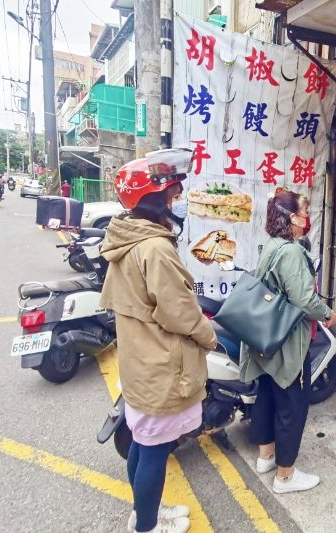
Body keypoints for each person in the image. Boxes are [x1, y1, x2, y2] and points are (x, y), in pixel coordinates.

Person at [100, 151, 216, 533]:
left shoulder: (127, 238)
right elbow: (181, 314)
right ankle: (147, 526)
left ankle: (143, 512)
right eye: (171, 196)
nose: (176, 201)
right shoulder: (156, 248)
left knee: (142, 442)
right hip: (161, 365)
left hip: (139, 362)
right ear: (153, 200)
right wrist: (209, 336)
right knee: (153, 449)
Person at [240, 190, 336, 494]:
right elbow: (304, 299)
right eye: (304, 212)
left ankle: (266, 456)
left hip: (268, 339)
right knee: (293, 405)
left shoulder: (273, 245)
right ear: (292, 217)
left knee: (268, 396)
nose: (307, 218)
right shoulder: (292, 252)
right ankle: (285, 476)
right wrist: (327, 313)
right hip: (287, 343)